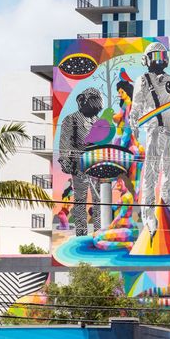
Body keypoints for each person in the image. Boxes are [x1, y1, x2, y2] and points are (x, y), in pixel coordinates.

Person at [130, 42, 170, 237]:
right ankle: (149, 216)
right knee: (151, 172)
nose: (159, 60)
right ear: (147, 59)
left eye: (162, 56)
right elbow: (137, 104)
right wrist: (133, 120)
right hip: (155, 130)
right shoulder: (143, 80)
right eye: (155, 56)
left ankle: (166, 210)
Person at [58, 87, 104, 235]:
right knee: (80, 201)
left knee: (100, 201)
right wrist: (66, 161)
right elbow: (65, 144)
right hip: (80, 166)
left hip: (97, 167)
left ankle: (99, 232)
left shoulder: (98, 121)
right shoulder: (71, 119)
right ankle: (81, 233)